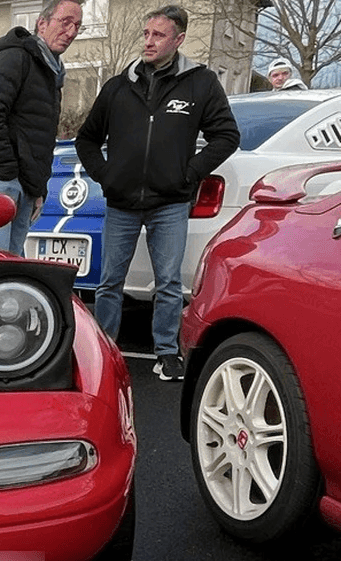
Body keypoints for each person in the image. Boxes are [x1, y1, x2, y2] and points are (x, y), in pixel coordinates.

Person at [75, 5, 239, 381]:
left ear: (178, 40)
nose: (148, 41)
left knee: (168, 283)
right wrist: (105, 175)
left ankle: (167, 353)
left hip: (170, 203)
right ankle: (104, 350)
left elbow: (227, 136)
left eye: (158, 35)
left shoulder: (201, 84)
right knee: (109, 282)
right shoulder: (119, 85)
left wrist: (190, 174)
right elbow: (87, 139)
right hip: (121, 202)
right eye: (146, 33)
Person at [0, 0, 84, 256]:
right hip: (1, 182)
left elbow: (39, 137)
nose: (71, 32)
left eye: (77, 26)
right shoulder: (14, 58)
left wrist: (37, 188)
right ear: (42, 23)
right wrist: (6, 172)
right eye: (65, 22)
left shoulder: (51, 72)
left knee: (13, 269)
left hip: (25, 186)